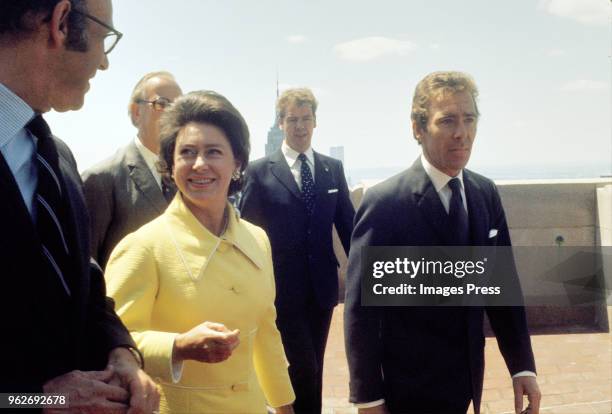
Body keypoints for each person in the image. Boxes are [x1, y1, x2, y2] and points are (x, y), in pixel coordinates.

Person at [344, 71, 541, 414]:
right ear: (418, 128)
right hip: (407, 389)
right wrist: (368, 399)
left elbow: (501, 286)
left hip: (466, 381)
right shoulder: (386, 203)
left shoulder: (484, 194)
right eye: (447, 120)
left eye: (469, 119)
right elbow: (361, 311)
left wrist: (522, 366)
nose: (461, 133)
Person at [0, 0, 159, 412]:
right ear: (60, 21)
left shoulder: (57, 157)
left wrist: (120, 352)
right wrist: (38, 401)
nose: (104, 63)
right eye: (104, 37)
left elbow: (82, 284)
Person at [105, 90, 296, 413]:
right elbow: (111, 344)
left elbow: (265, 332)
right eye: (187, 152)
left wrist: (284, 405)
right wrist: (177, 346)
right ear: (170, 164)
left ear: (237, 162)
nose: (199, 165)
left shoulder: (257, 239)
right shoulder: (143, 247)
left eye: (213, 152)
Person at [239, 87, 355, 414]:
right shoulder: (259, 171)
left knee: (314, 366)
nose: (300, 126)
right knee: (301, 366)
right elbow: (246, 230)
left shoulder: (332, 169)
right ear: (281, 124)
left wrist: (369, 271)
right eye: (292, 119)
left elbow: (348, 226)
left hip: (321, 288)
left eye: (306, 119)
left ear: (315, 122)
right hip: (280, 289)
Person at [82, 71, 182, 269]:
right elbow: (85, 266)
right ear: (137, 112)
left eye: (179, 107)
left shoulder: (187, 177)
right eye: (161, 104)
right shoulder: (102, 179)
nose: (173, 114)